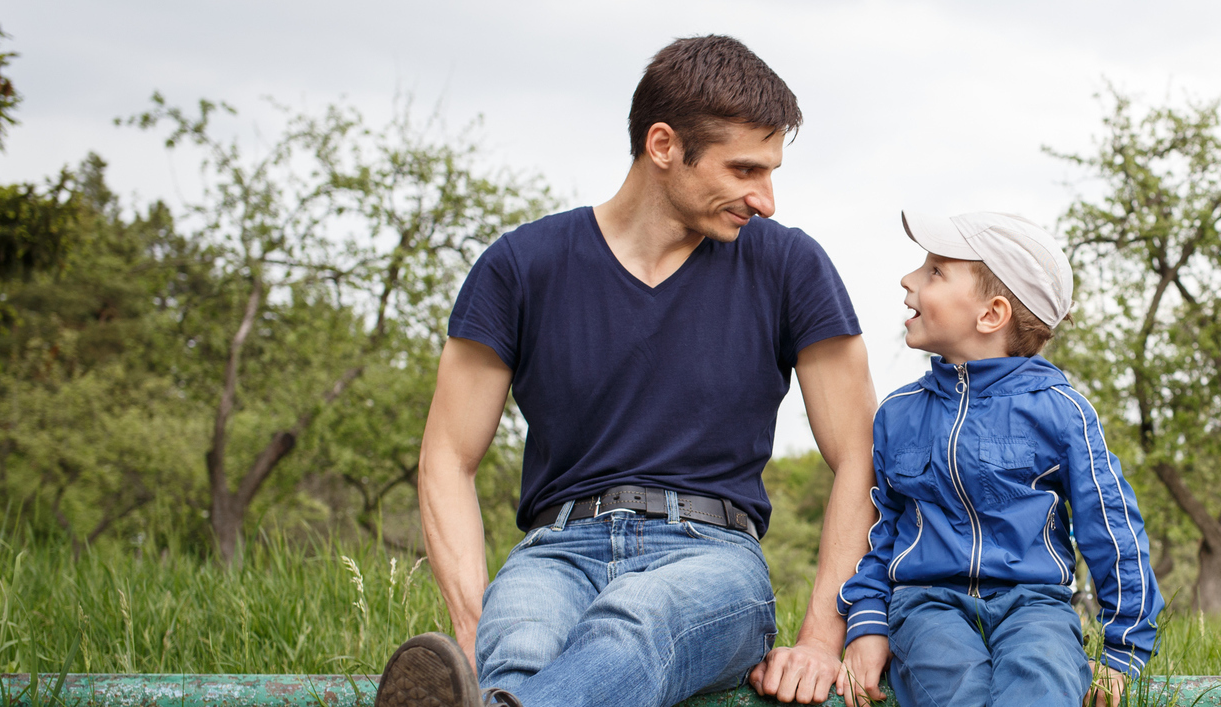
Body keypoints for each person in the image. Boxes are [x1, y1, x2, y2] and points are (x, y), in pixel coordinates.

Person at [372, 35, 879, 707]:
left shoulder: (790, 267)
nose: (766, 199)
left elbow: (862, 452)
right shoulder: (520, 267)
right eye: (745, 170)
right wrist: (471, 630)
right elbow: (446, 454)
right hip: (555, 550)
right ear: (663, 145)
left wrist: (819, 637)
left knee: (638, 616)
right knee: (516, 646)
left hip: (712, 561)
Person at [834, 212, 1163, 707]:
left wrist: (1123, 653)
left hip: (1036, 605)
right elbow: (882, 531)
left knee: (1042, 680)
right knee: (954, 687)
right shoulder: (898, 415)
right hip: (926, 605)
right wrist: (866, 622)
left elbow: (1112, 529)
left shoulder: (1062, 412)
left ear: (991, 314)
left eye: (935, 271)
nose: (908, 280)